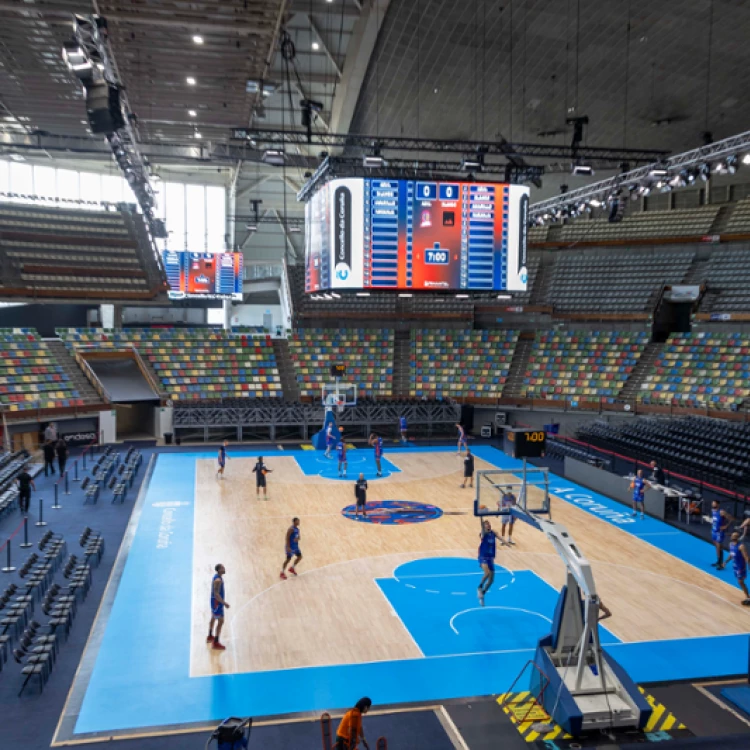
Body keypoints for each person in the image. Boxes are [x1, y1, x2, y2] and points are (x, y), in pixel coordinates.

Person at [477, 519, 503, 606]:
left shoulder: (493, 533)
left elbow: (499, 537)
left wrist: (505, 542)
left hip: (490, 558)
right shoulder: (484, 534)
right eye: (486, 525)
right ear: (484, 527)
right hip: (483, 557)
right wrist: (481, 517)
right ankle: (479, 587)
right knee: (487, 573)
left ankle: (482, 594)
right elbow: (482, 530)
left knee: (491, 580)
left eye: (489, 524)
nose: (488, 526)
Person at [207, 563, 229, 651]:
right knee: (221, 621)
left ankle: (210, 636)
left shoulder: (217, 577)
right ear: (219, 570)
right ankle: (216, 642)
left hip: (214, 601)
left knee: (213, 617)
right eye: (223, 568)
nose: (224, 569)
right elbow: (216, 594)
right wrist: (224, 603)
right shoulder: (218, 580)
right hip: (217, 602)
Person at [711, 499, 733, 570]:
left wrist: (726, 526)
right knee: (718, 547)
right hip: (714, 530)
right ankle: (719, 561)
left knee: (718, 546)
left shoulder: (721, 512)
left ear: (718, 504)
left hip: (719, 532)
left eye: (714, 503)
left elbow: (731, 519)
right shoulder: (713, 511)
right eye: (712, 503)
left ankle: (720, 563)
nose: (712, 504)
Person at [728, 532, 750, 605]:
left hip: (741, 567)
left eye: (735, 536)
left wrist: (749, 566)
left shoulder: (741, 546)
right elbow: (731, 554)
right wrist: (726, 562)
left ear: (737, 537)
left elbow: (746, 557)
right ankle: (748, 597)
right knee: (740, 582)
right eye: (733, 535)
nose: (733, 537)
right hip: (735, 566)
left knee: (740, 582)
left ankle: (748, 597)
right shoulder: (730, 544)